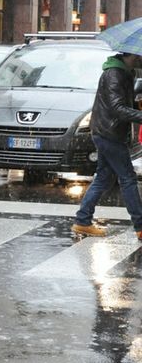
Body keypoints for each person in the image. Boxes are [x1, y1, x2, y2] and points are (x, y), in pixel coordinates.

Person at [72, 52, 142, 239]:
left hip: (109, 131)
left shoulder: (125, 72)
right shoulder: (114, 74)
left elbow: (123, 103)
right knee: (128, 178)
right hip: (109, 133)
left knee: (103, 178)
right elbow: (117, 108)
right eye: (139, 55)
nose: (140, 58)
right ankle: (140, 226)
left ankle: (82, 221)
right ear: (131, 55)